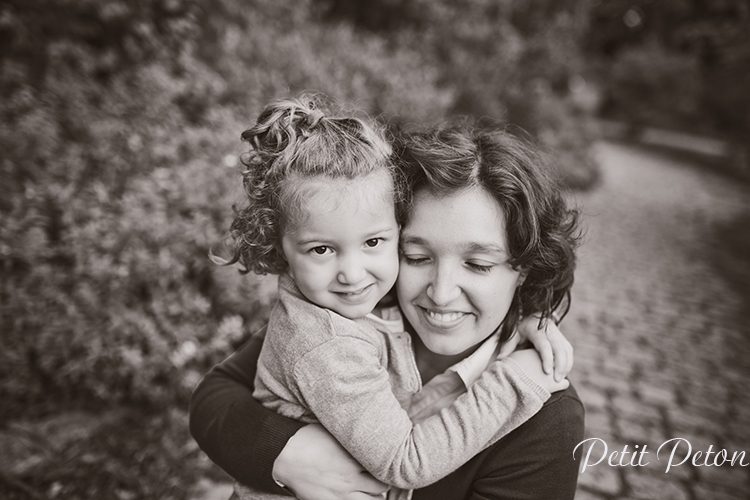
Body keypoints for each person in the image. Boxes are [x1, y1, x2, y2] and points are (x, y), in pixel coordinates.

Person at [191, 118, 584, 500]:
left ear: (525, 270)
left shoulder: (546, 414)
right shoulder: (348, 316)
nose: (442, 294)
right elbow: (214, 396)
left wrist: (532, 319)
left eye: (478, 265)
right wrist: (283, 454)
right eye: (416, 256)